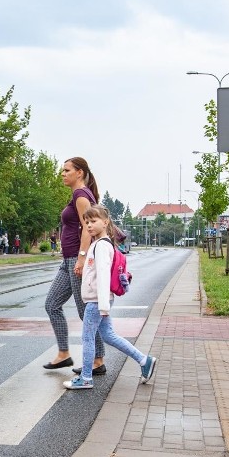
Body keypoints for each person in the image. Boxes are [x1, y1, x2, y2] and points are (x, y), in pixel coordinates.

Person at [64, 204, 157, 389]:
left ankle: (86, 378)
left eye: (94, 221)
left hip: (97, 301)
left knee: (88, 338)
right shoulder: (99, 244)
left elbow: (104, 275)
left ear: (105, 222)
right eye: (87, 222)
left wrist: (103, 305)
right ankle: (144, 360)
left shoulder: (101, 247)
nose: (89, 225)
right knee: (108, 335)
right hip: (99, 300)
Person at [43, 157, 105, 373]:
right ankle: (63, 354)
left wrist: (81, 258)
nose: (63, 173)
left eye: (67, 170)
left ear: (79, 172)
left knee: (85, 312)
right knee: (52, 304)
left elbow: (88, 229)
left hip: (76, 260)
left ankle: (98, 360)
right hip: (67, 260)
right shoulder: (79, 194)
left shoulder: (81, 196)